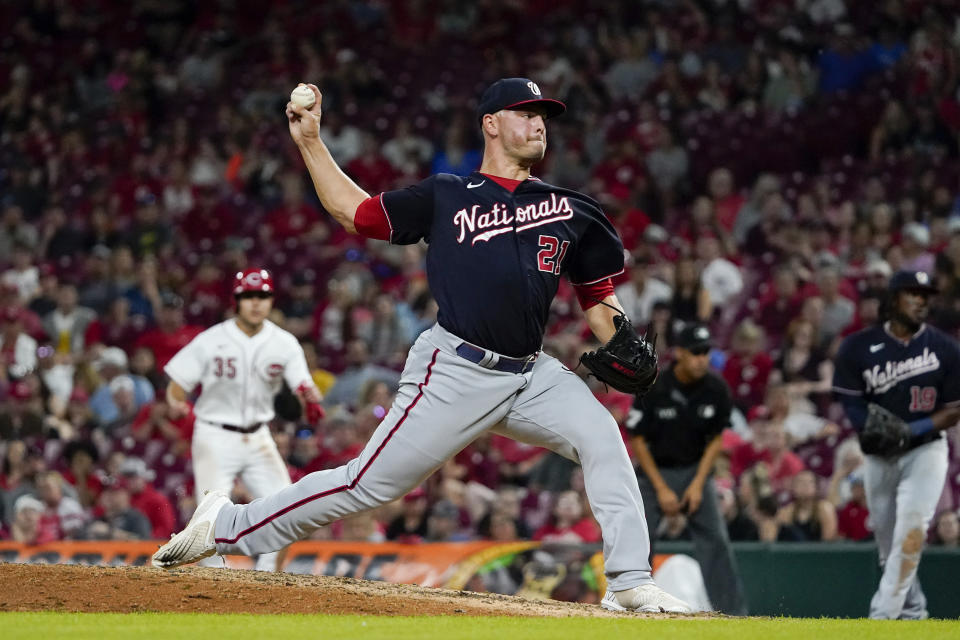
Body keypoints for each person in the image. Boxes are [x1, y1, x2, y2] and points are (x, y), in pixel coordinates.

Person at [153, 78, 690, 614]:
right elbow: (357, 215)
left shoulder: (572, 209)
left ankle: (627, 581)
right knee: (366, 484)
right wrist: (311, 143)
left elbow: (598, 298)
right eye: (525, 112)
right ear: (491, 123)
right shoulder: (447, 194)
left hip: (531, 375)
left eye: (543, 115)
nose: (538, 123)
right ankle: (224, 525)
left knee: (603, 439)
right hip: (455, 368)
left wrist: (622, 337)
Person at [162, 268, 326, 571]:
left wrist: (309, 397)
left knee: (288, 511)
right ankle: (212, 590)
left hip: (259, 436)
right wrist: (176, 402)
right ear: (236, 300)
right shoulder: (211, 340)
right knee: (208, 520)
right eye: (248, 296)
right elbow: (177, 383)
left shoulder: (284, 343)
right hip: (214, 435)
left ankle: (264, 580)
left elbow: (302, 384)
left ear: (271, 301)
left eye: (262, 296)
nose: (255, 302)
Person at [832, 270, 960, 619]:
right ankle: (914, 610)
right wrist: (866, 427)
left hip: (926, 450)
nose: (921, 300)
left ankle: (882, 616)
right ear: (892, 299)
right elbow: (851, 401)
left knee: (912, 530)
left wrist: (911, 428)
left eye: (926, 295)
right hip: (879, 455)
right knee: (890, 549)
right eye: (912, 293)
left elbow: (954, 410)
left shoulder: (945, 348)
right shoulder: (857, 346)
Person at [626, 324, 747, 615]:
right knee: (638, 543)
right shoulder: (654, 385)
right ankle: (631, 607)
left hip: (696, 471)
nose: (701, 359)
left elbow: (715, 439)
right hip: (655, 473)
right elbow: (638, 439)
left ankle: (733, 616)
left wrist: (697, 484)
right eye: (695, 353)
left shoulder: (716, 389)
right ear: (679, 353)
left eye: (705, 352)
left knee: (716, 541)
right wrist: (662, 488)